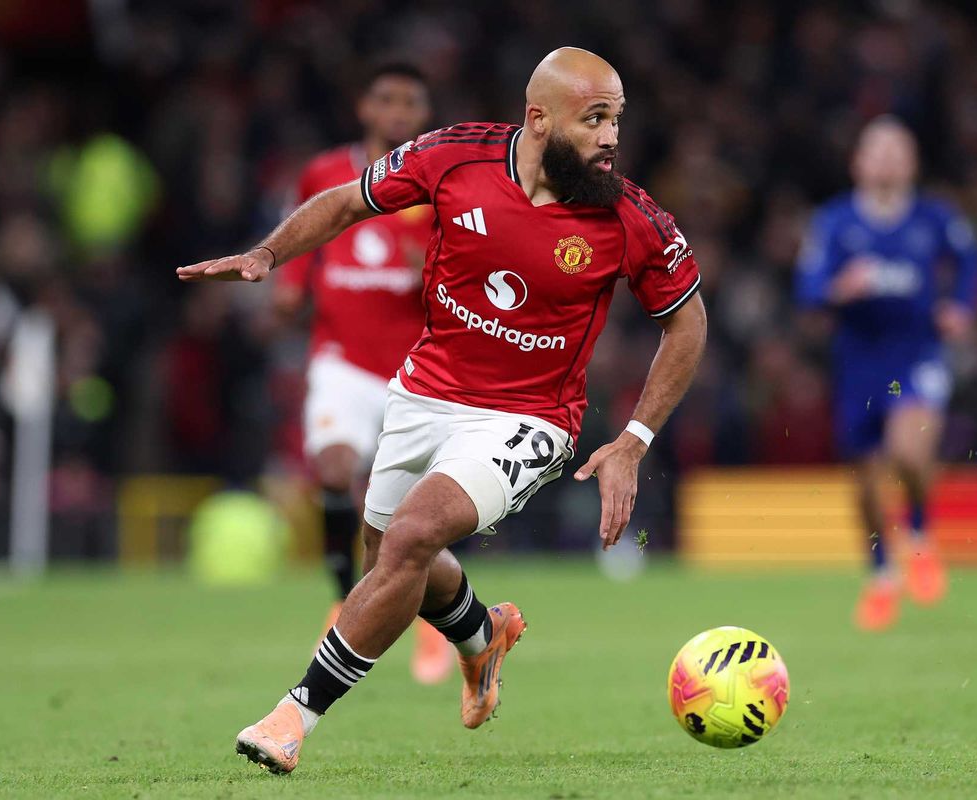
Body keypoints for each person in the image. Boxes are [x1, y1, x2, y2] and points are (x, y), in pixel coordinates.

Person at [177, 47, 707, 774]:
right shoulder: (454, 158)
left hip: (530, 418)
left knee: (412, 537)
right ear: (538, 117)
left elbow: (688, 321)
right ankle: (480, 636)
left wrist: (634, 441)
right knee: (391, 558)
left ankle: (291, 717)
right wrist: (270, 255)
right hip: (423, 392)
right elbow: (346, 200)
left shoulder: (628, 215)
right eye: (594, 119)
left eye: (616, 119)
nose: (611, 137)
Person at [273, 63, 454, 685]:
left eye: (411, 101)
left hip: (415, 369)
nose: (398, 111)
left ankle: (433, 629)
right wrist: (290, 284)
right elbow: (309, 235)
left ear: (424, 112)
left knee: (413, 517)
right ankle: (339, 597)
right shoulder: (326, 174)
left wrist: (424, 268)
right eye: (387, 99)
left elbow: (461, 287)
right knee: (331, 465)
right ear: (364, 107)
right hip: (342, 359)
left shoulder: (438, 187)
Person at [796, 117, 977, 631]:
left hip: (915, 354)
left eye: (897, 150)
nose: (887, 159)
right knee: (865, 482)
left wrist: (960, 307)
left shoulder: (935, 217)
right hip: (858, 361)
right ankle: (881, 576)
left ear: (912, 162)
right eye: (876, 149)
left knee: (909, 449)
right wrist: (839, 290)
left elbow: (970, 264)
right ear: (858, 161)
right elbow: (807, 289)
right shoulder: (834, 222)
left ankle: (920, 535)